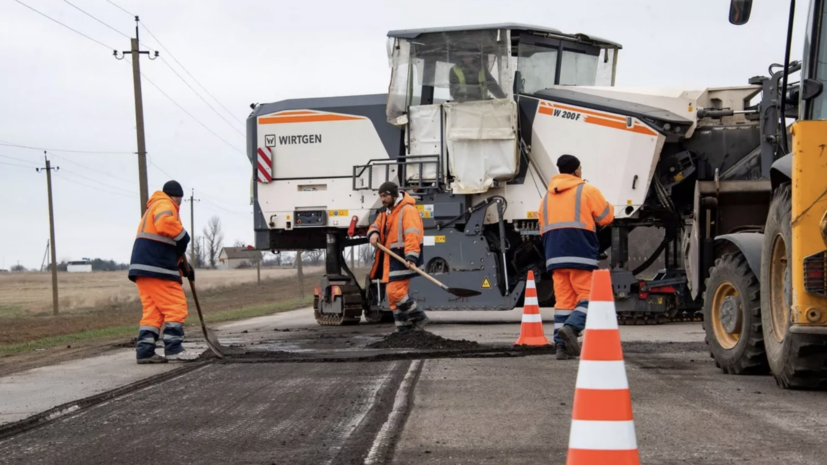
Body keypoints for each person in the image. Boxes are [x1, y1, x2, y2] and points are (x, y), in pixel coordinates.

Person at [538, 155, 614, 360]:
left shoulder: (546, 196)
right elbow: (606, 216)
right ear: (577, 171)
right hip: (579, 251)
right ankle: (572, 327)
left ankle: (561, 347)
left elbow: (541, 228)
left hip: (554, 255)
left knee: (563, 302)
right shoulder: (586, 190)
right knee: (590, 297)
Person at [128, 180, 197, 364]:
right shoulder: (165, 204)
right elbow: (165, 224)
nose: (179, 204)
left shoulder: (153, 207)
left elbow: (166, 243)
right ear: (176, 197)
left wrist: (184, 267)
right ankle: (174, 349)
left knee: (153, 312)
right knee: (176, 305)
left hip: (143, 268)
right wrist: (184, 236)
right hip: (156, 266)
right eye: (180, 201)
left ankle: (145, 351)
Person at [367, 182, 430, 332]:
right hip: (390, 258)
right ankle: (403, 329)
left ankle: (419, 317)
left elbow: (412, 234)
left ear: (394, 195)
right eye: (380, 196)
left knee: (394, 292)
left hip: (403, 257)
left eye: (385, 195)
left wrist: (411, 256)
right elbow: (375, 226)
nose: (382, 199)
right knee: (392, 297)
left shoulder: (408, 210)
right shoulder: (385, 212)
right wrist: (373, 233)